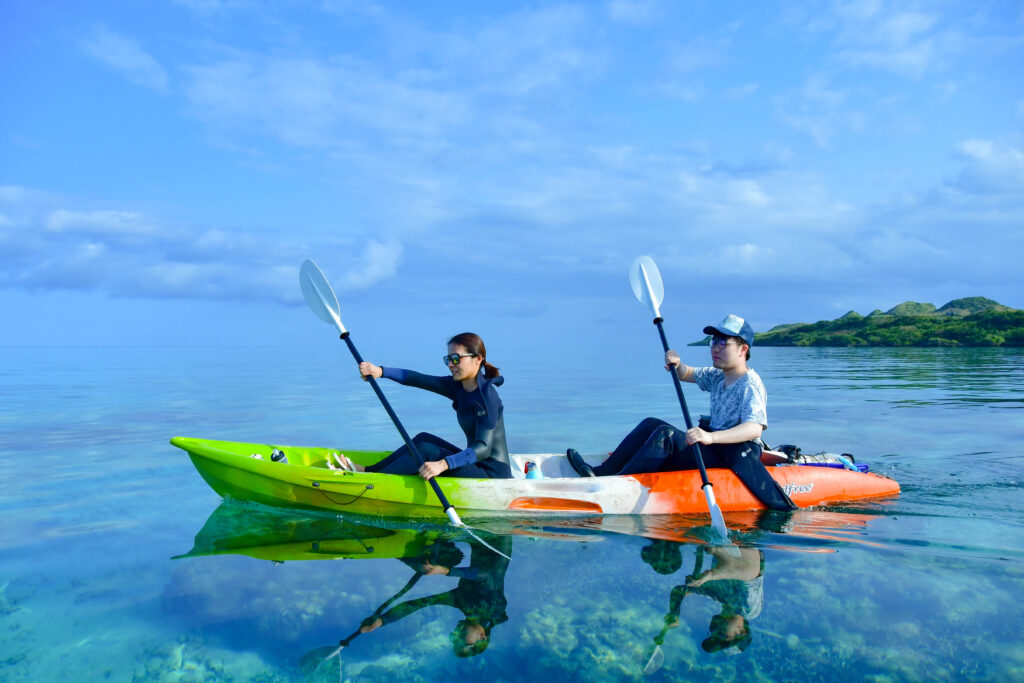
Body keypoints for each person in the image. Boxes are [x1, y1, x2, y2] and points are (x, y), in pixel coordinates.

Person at [566, 314, 796, 510]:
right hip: (715, 448)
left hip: (737, 453)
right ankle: (603, 473)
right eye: (713, 342)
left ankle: (619, 486)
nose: (715, 348)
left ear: (743, 349)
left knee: (665, 436)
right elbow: (687, 374)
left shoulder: (750, 383)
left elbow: (754, 427)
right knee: (651, 424)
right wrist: (676, 363)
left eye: (723, 343)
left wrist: (710, 437)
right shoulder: (718, 375)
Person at [332, 332, 512, 479]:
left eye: (456, 359)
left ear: (478, 359)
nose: (450, 364)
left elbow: (482, 448)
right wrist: (380, 371)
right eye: (448, 359)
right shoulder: (458, 387)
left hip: (492, 475)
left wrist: (442, 464)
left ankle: (371, 479)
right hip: (474, 464)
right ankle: (368, 471)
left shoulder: (486, 397)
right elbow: (417, 379)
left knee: (426, 450)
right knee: (423, 439)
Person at [357, 535, 513, 658]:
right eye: (462, 642)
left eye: (454, 640)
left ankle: (395, 544)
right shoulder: (494, 609)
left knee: (424, 564)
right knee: (439, 559)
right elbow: (488, 575)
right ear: (482, 637)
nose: (456, 636)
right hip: (496, 538)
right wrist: (446, 570)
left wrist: (382, 620)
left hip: (477, 539)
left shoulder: (462, 603)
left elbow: (420, 603)